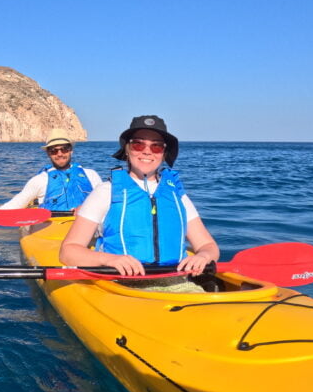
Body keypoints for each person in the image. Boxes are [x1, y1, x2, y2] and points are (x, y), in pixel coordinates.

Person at [59, 115, 219, 277]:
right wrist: (109, 260)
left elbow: (207, 245)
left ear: (164, 153)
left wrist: (203, 256)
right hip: (119, 282)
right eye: (138, 144)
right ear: (127, 150)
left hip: (174, 279)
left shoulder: (177, 194)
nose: (147, 151)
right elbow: (68, 252)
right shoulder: (105, 191)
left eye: (156, 146)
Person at [0, 128, 102, 213]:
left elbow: (105, 201)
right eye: (54, 150)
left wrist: (87, 208)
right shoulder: (40, 180)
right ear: (48, 153)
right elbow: (14, 204)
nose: (59, 154)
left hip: (85, 225)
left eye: (64, 149)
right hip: (53, 229)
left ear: (71, 151)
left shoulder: (91, 175)